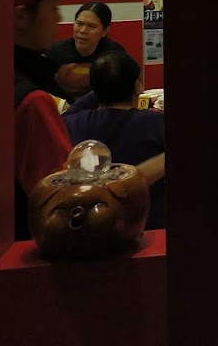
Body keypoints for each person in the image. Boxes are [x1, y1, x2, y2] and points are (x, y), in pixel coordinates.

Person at [12, 0, 78, 241]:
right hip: (28, 244)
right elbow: (66, 202)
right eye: (53, 8)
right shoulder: (32, 102)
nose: (59, 18)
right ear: (20, 17)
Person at [65, 51, 166, 229]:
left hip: (94, 227)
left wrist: (102, 86)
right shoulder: (156, 123)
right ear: (137, 87)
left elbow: (68, 113)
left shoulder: (73, 123)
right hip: (148, 226)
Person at [45, 2, 126, 100]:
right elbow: (41, 89)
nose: (83, 30)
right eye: (79, 24)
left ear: (105, 31)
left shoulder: (115, 54)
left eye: (92, 26)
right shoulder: (54, 52)